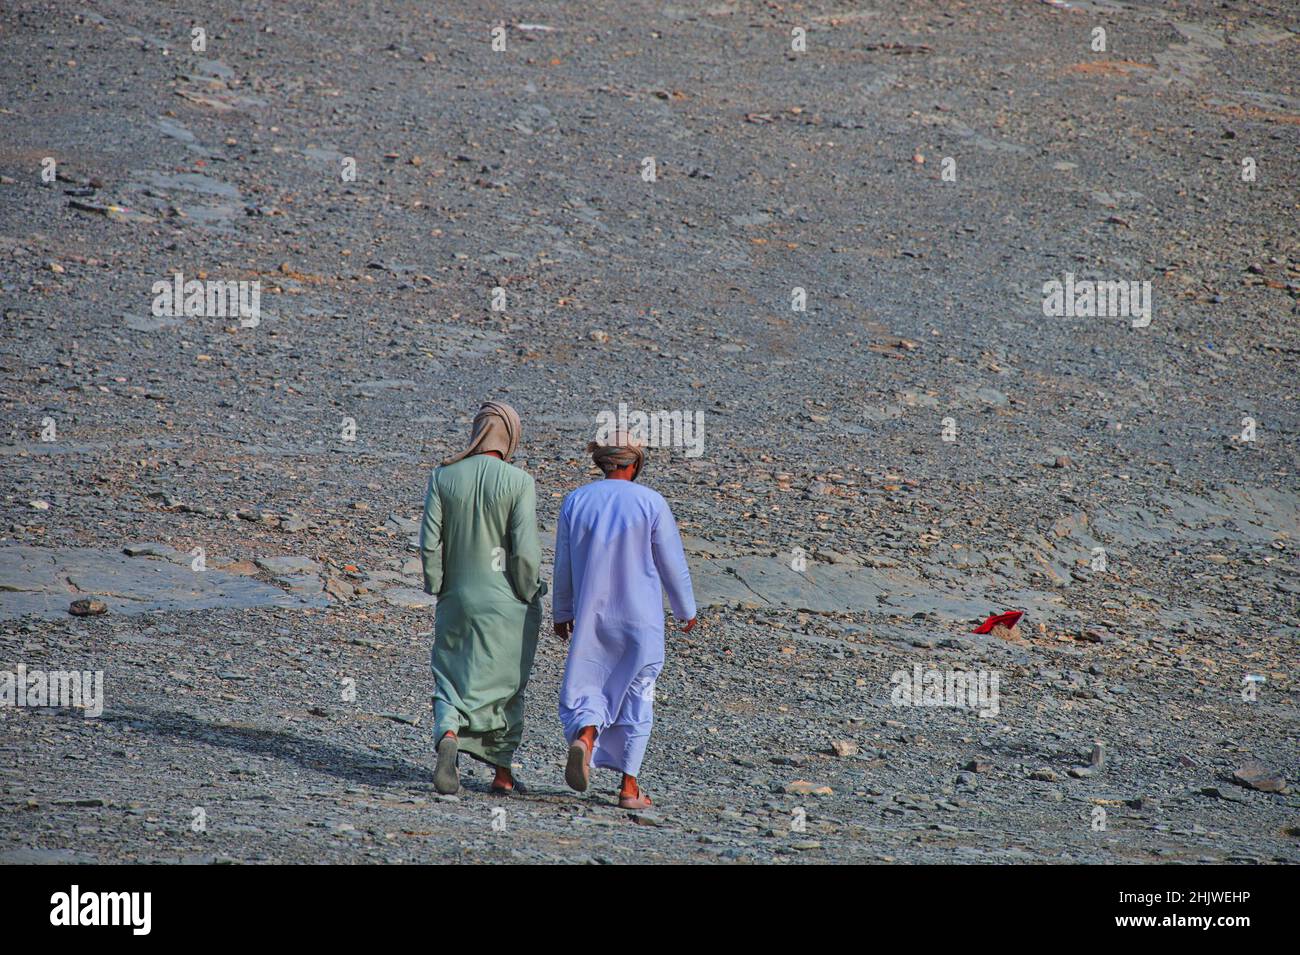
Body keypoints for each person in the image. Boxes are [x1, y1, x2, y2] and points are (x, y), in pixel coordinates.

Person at [553, 433, 697, 809]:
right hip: (641, 619)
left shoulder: (577, 501)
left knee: (590, 684)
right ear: (633, 465)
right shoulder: (651, 502)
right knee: (638, 694)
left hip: (592, 617)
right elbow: (672, 563)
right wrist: (685, 609)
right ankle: (629, 788)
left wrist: (561, 611)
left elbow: (563, 564)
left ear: (602, 463)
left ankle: (585, 737)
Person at [420, 401, 545, 795]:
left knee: (451, 676)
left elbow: (428, 543)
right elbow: (524, 551)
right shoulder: (519, 481)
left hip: (456, 595)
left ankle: (449, 733)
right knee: (507, 684)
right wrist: (528, 592)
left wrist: (438, 584)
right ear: (509, 435)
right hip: (506, 601)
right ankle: (502, 775)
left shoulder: (443, 476)